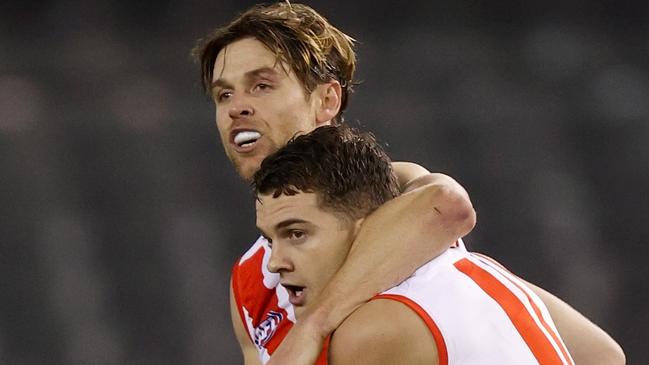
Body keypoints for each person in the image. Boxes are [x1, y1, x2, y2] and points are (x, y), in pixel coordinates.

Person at [192, 2, 625, 364]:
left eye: (262, 85)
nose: (237, 108)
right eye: (224, 95)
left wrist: (312, 327)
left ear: (327, 100)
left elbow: (446, 205)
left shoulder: (395, 198)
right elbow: (602, 355)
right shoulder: (251, 282)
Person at [254, 124, 577, 364]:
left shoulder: (372, 328)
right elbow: (603, 354)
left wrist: (313, 327)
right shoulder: (475, 269)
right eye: (271, 240)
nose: (274, 262)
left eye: (297, 234)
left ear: (367, 228)